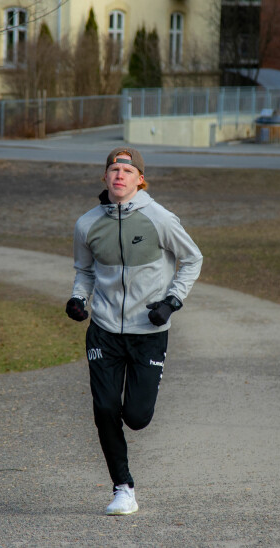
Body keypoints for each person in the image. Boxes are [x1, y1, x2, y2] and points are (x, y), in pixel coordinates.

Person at [66, 147, 203, 516]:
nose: (119, 175)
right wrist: (78, 298)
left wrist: (172, 301)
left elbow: (193, 259)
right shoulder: (87, 224)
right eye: (114, 169)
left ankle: (126, 469)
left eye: (127, 171)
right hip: (104, 330)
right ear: (105, 177)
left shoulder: (160, 218)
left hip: (149, 331)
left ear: (140, 179)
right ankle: (123, 488)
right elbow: (85, 270)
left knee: (137, 417)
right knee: (104, 408)